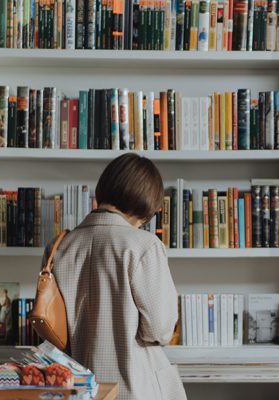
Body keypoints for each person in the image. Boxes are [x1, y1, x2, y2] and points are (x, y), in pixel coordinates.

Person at [45, 153, 186, 400]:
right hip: (133, 386)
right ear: (146, 203)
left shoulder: (58, 247)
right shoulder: (143, 246)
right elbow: (161, 330)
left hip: (74, 387)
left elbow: (52, 327)